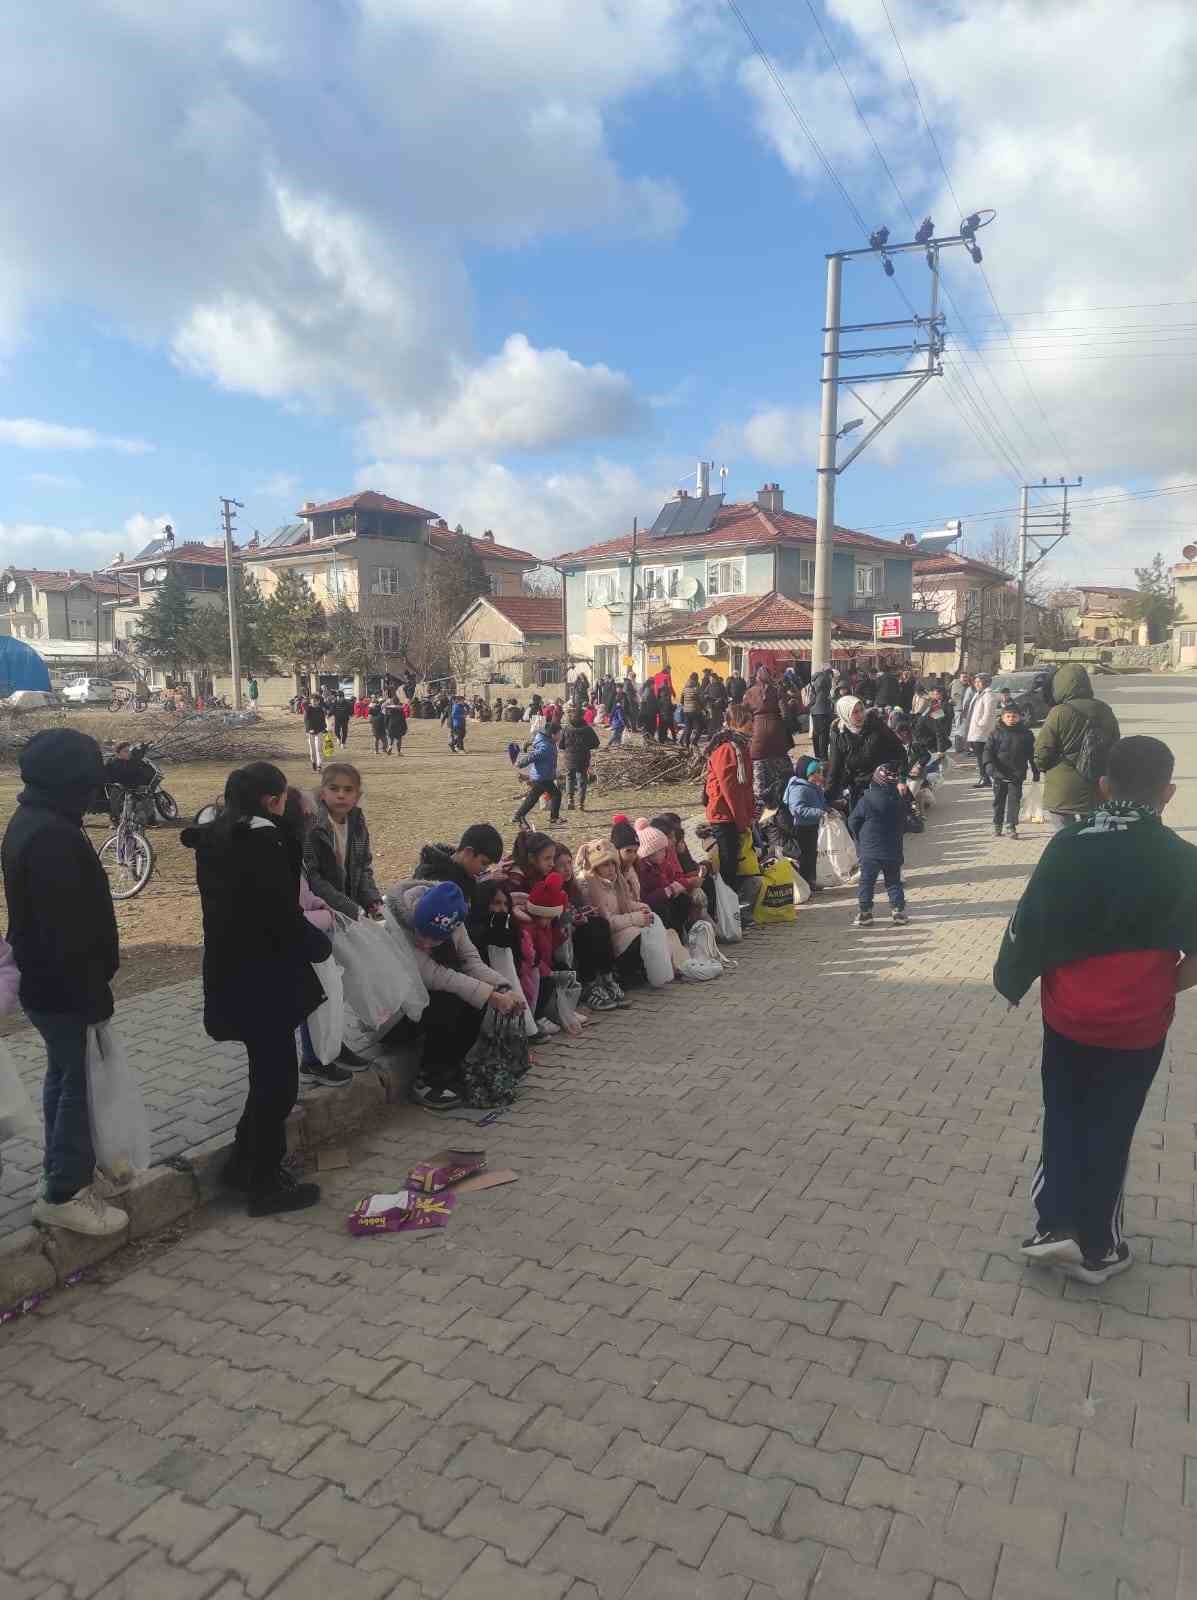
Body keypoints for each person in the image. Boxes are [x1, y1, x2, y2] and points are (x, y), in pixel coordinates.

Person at [994, 736, 1197, 1284]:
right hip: (1138, 1027)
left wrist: (1012, 978)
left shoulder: (1068, 845)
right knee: (1112, 1125)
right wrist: (1161, 988)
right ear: (1168, 792)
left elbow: (1029, 922)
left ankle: (1053, 1227)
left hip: (1069, 1018)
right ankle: (1100, 1248)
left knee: (1065, 1113)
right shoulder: (1183, 859)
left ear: (1103, 786)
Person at [182, 763, 330, 1214]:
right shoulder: (264, 842)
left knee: (265, 1076)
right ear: (272, 800)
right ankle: (264, 1183)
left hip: (231, 971)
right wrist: (317, 943)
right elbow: (277, 913)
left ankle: (244, 1164)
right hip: (265, 976)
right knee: (277, 1084)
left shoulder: (217, 836)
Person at [1, 730, 128, 1236]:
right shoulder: (52, 836)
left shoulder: (37, 819)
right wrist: (92, 991)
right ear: (70, 781)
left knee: (65, 1079)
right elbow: (65, 930)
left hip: (50, 981)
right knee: (74, 1087)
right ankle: (64, 1192)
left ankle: (67, 1170)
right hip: (63, 986)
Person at [385, 880, 523, 1110]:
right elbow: (435, 975)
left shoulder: (454, 919)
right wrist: (490, 995)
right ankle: (427, 1078)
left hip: (426, 998)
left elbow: (471, 962)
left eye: (435, 939)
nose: (426, 943)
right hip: (394, 1012)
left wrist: (503, 988)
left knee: (476, 1003)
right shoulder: (396, 927)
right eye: (423, 934)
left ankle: (453, 1068)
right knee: (450, 1002)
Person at [1034, 663, 1121, 831]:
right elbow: (1115, 744)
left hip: (1062, 787)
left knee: (1064, 832)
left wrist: (1042, 766)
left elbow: (1043, 750)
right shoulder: (1105, 710)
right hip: (1096, 784)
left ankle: (1069, 848)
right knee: (1093, 833)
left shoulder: (1059, 712)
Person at [303, 764, 384, 921]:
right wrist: (349, 908)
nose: (341, 795)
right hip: (322, 910)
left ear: (357, 796)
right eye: (334, 789)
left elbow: (363, 867)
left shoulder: (358, 823)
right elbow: (312, 877)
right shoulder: (313, 827)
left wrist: (372, 901)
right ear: (322, 793)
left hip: (351, 906)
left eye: (348, 790)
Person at [576, 839, 653, 988]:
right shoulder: (589, 886)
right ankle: (623, 972)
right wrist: (636, 918)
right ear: (596, 867)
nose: (611, 869)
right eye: (605, 865)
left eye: (613, 864)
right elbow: (607, 921)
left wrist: (641, 908)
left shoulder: (616, 882)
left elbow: (624, 903)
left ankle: (636, 969)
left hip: (620, 926)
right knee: (637, 934)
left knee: (649, 928)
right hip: (607, 935)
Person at [847, 763, 909, 927]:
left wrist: (860, 837)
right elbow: (904, 823)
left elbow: (853, 821)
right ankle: (898, 912)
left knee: (867, 882)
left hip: (870, 850)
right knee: (894, 882)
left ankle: (865, 913)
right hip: (893, 849)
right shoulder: (899, 800)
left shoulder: (866, 800)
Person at [703, 704, 755, 891]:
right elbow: (730, 790)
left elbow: (744, 787)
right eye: (748, 721)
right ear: (735, 723)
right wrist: (742, 821)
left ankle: (733, 901)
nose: (752, 725)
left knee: (734, 863)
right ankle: (727, 903)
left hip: (732, 814)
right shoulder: (728, 749)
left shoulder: (740, 746)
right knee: (728, 865)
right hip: (724, 815)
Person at [825, 695, 905, 811]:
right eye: (855, 712)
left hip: (882, 782)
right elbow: (835, 767)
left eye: (861, 710)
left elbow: (899, 751)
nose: (860, 715)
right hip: (858, 786)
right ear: (845, 714)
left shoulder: (875, 724)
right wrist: (827, 798)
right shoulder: (838, 734)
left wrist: (902, 779)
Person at [984, 702, 1040, 839]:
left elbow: (1032, 754)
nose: (1011, 719)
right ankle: (997, 824)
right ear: (1002, 717)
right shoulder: (995, 733)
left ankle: (1011, 826)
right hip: (999, 773)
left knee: (1014, 801)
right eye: (1008, 716)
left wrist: (1036, 770)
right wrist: (989, 765)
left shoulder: (1026, 734)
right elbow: (988, 751)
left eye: (1014, 716)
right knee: (999, 801)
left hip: (1017, 773)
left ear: (1020, 717)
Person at [744, 667, 791, 810]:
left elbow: (744, 714)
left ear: (756, 677)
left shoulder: (750, 693)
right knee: (782, 771)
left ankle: (760, 803)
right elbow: (786, 714)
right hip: (776, 731)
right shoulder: (777, 690)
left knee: (758, 767)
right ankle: (781, 800)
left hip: (757, 733)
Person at [411, 824, 504, 894]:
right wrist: (484, 885)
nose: (485, 869)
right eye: (484, 863)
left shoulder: (446, 869)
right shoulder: (439, 883)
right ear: (468, 852)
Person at [783, 757, 827, 895]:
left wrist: (827, 809)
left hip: (812, 825)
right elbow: (797, 810)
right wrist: (819, 812)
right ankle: (804, 883)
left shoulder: (813, 787)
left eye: (820, 772)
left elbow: (819, 803)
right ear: (806, 774)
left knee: (812, 855)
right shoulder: (799, 788)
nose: (819, 775)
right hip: (802, 828)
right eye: (816, 773)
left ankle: (810, 881)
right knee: (805, 857)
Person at [512, 723, 562, 827]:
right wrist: (521, 763)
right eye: (559, 734)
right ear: (552, 734)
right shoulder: (546, 746)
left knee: (533, 797)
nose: (560, 736)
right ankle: (554, 818)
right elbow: (533, 756)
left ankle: (518, 816)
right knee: (556, 794)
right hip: (542, 776)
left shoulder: (547, 741)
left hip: (542, 775)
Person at [561, 707, 600, 811]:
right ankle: (581, 803)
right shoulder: (587, 729)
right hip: (583, 757)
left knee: (569, 777)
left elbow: (561, 745)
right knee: (582, 779)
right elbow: (596, 743)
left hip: (569, 758)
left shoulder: (567, 728)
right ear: (582, 716)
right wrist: (587, 747)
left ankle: (570, 799)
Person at [965, 673, 999, 787]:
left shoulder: (989, 695)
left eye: (979, 682)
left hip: (982, 732)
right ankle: (985, 777)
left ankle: (986, 777)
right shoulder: (978, 694)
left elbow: (988, 714)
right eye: (975, 682)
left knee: (983, 756)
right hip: (975, 730)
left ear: (986, 682)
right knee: (980, 756)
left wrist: (980, 724)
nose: (976, 684)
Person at [807, 665, 835, 760]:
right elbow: (827, 692)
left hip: (814, 709)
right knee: (823, 734)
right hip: (822, 709)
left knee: (816, 733)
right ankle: (823, 757)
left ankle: (818, 755)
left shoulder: (815, 678)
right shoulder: (825, 678)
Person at [680, 673, 705, 748]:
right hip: (695, 711)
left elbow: (681, 701)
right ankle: (694, 742)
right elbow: (700, 701)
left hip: (686, 711)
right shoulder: (696, 689)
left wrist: (686, 705)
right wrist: (703, 708)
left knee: (688, 728)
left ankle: (687, 744)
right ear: (696, 679)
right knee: (700, 728)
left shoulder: (685, 689)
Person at [303, 694, 327, 772]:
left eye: (315, 701)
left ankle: (319, 765)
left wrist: (324, 728)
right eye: (313, 701)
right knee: (312, 749)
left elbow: (323, 720)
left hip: (319, 731)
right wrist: (309, 729)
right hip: (311, 732)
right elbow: (306, 721)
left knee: (319, 749)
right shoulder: (308, 709)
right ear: (310, 701)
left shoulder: (320, 709)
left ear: (318, 701)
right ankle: (313, 762)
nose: (314, 702)